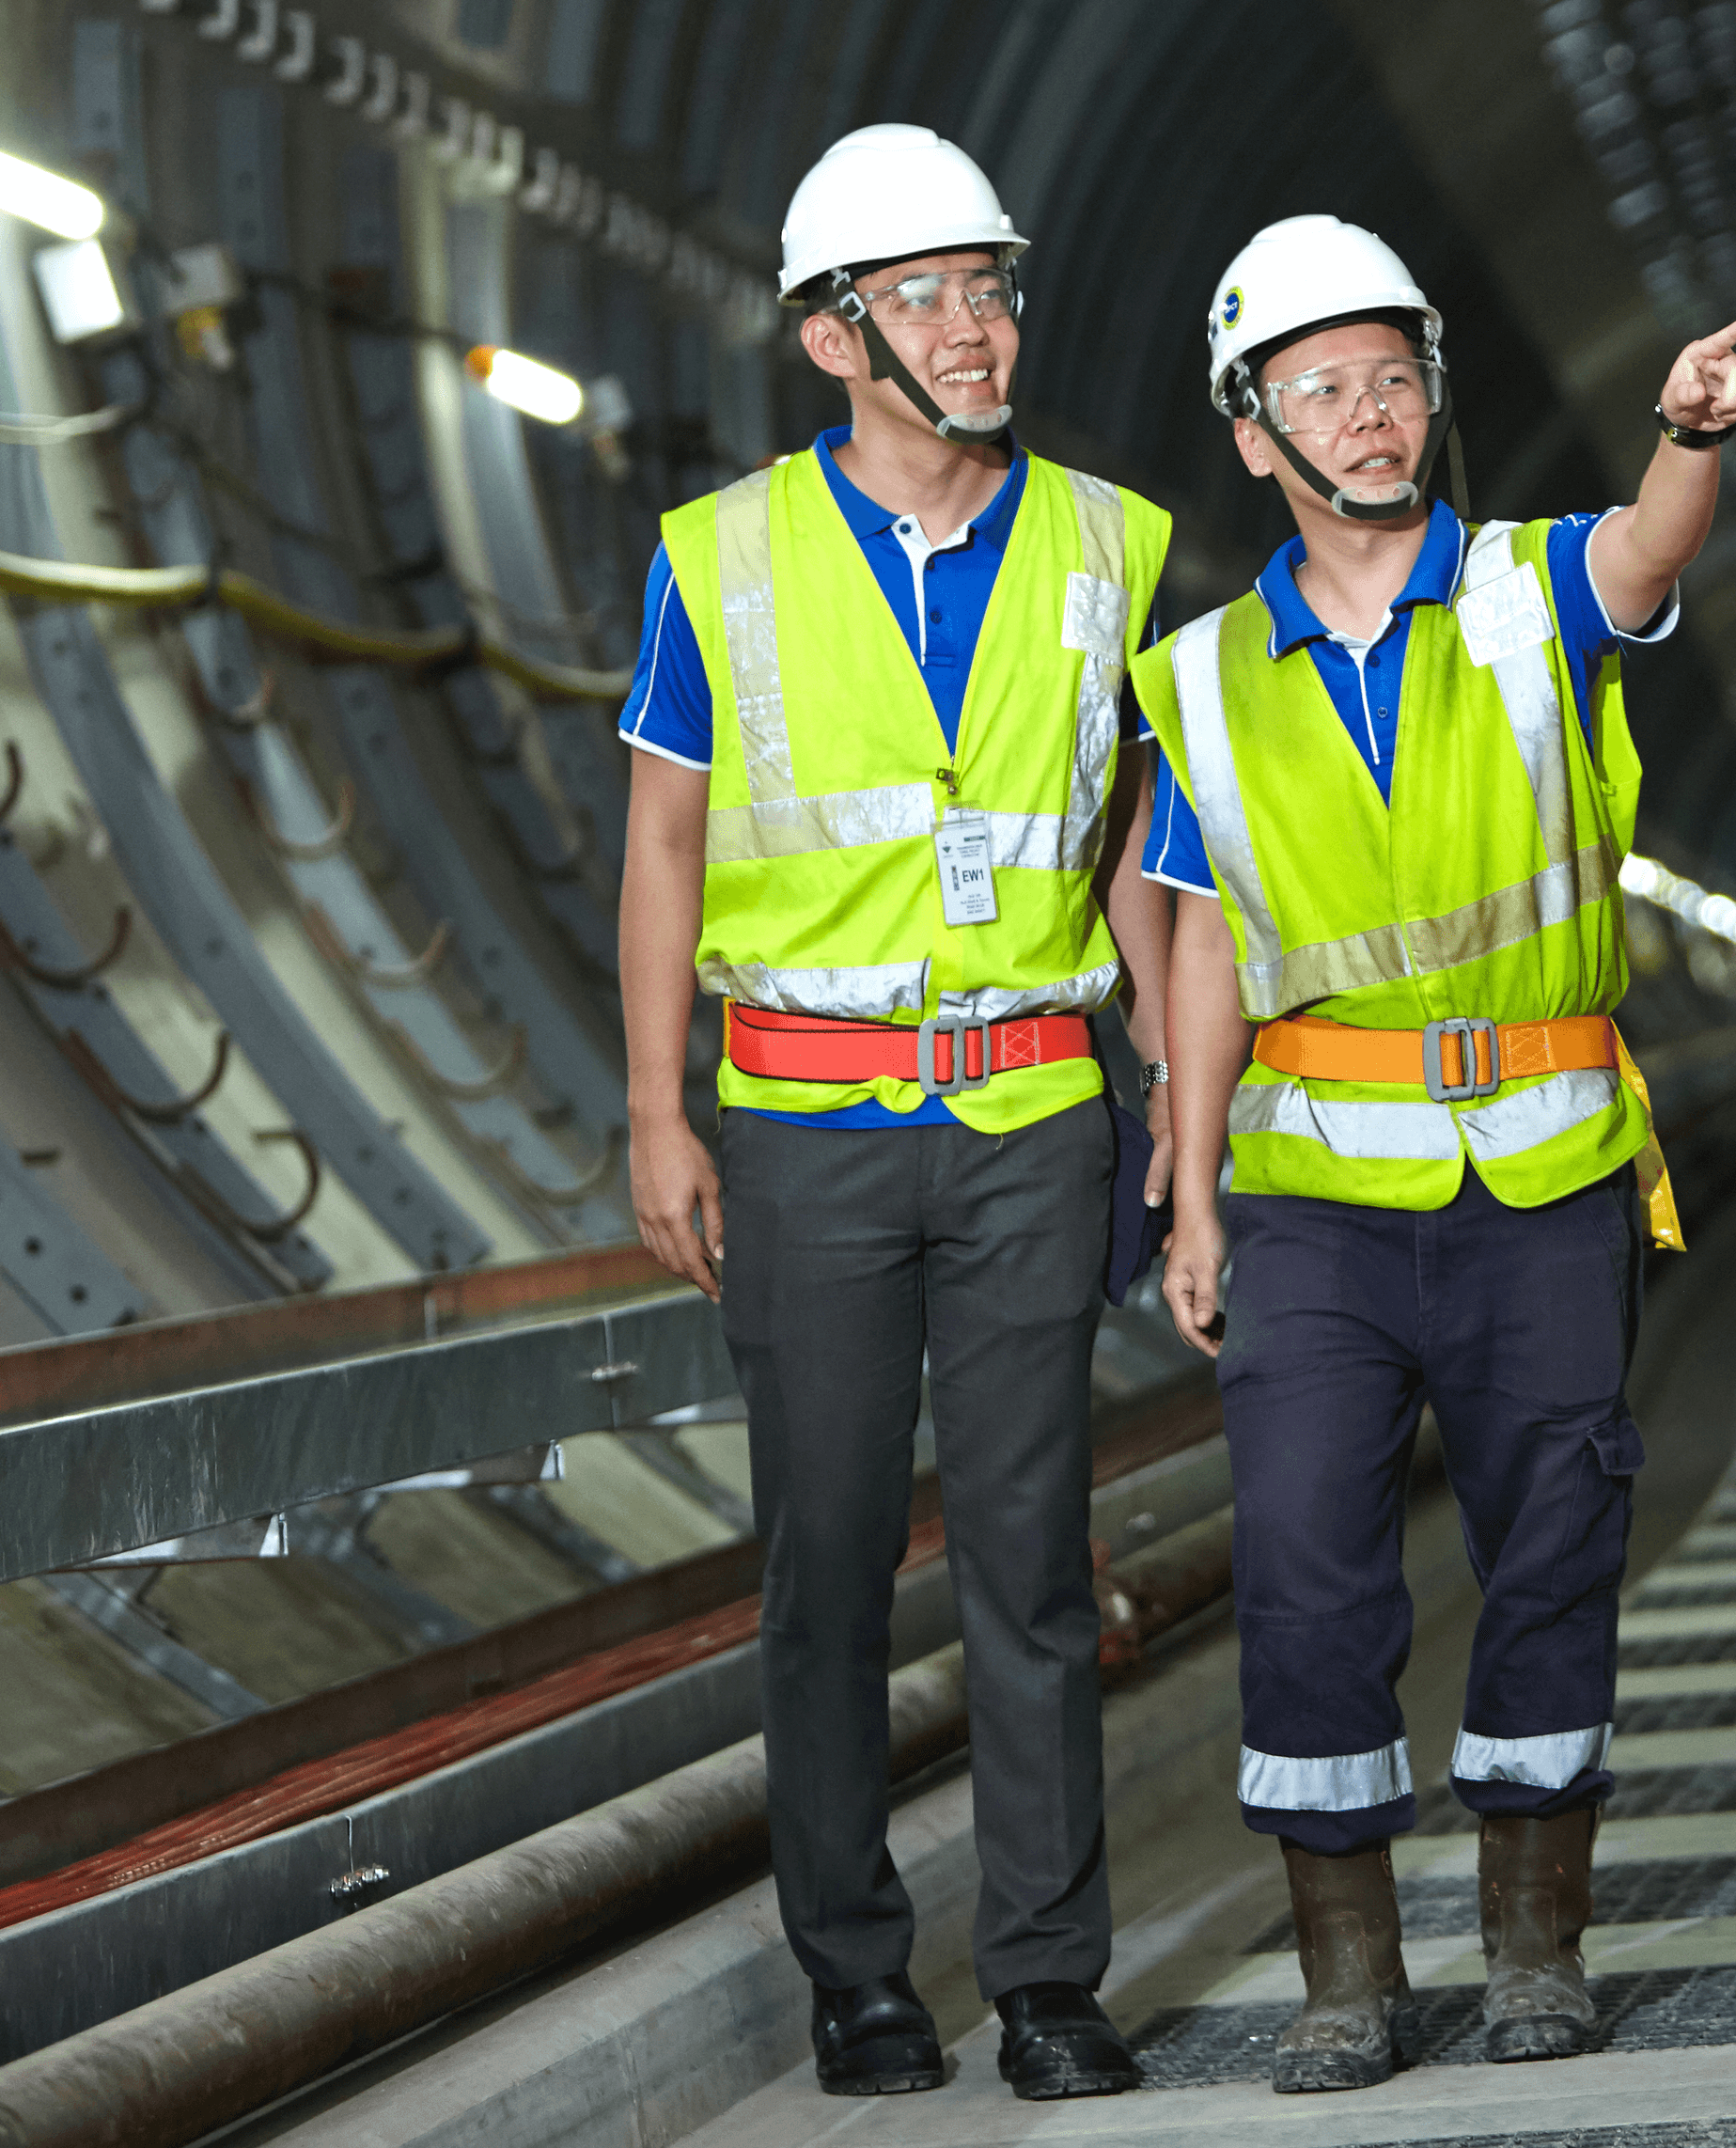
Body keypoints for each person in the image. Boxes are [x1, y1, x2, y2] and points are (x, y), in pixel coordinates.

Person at [1128, 215, 1736, 2093]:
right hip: (1317, 1193)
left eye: (1394, 373)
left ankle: (1536, 1946)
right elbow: (1211, 949)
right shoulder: (1205, 683)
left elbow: (1647, 555)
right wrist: (1184, 1182)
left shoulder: (1522, 591)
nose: (1371, 411)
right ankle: (1345, 1974)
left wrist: (1694, 432)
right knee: (1312, 1557)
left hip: (1549, 1170)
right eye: (1323, 384)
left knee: (1554, 1543)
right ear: (1258, 431)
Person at [617, 124, 1172, 2102]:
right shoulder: (723, 554)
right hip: (806, 1119)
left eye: (993, 285)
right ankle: (856, 1972)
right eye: (929, 293)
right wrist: (655, 1111)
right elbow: (665, 837)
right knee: (828, 1558)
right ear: (834, 337)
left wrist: (1173, 1073)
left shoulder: (1111, 542)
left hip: (1034, 1107)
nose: (981, 324)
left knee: (1031, 1556)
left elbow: (1121, 834)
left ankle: (1046, 1976)